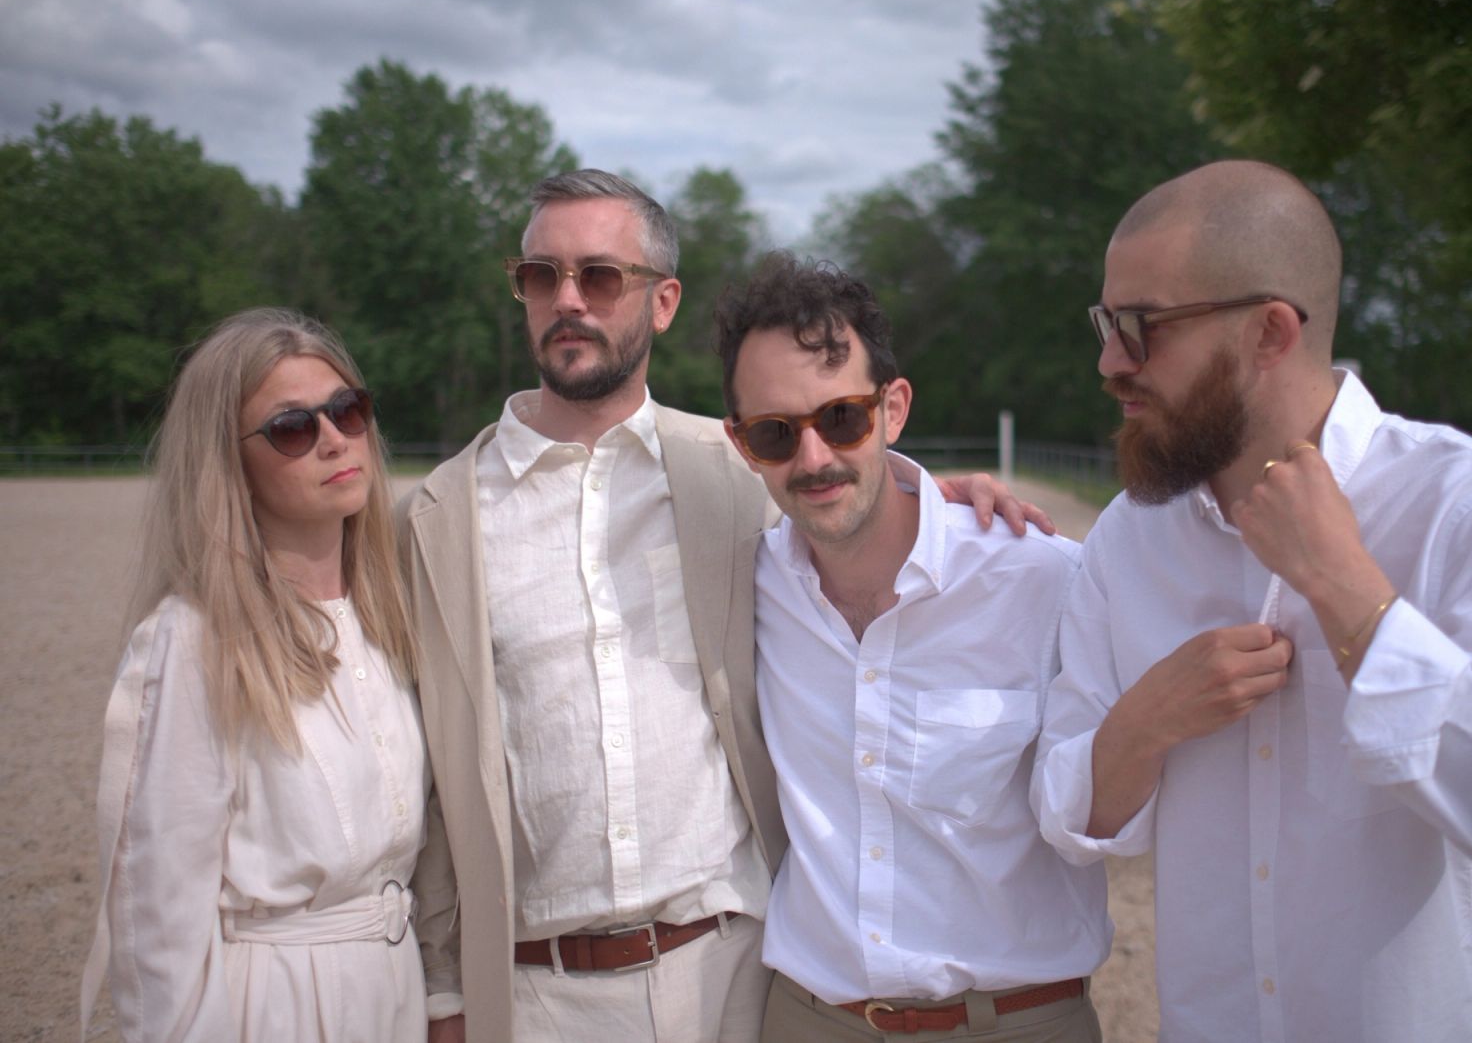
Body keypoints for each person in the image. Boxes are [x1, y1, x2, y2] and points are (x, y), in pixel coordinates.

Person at [402, 169, 1047, 1042]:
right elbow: (428, 775)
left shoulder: (742, 468)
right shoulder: (439, 518)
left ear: (663, 301)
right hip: (535, 998)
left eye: (600, 276)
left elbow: (839, 479)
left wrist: (934, 494)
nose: (568, 300)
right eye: (541, 276)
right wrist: (445, 991)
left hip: (734, 979)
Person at [1031, 160, 1472, 1041]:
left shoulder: (1468, 507)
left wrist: (1346, 590)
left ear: (1270, 331)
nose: (1110, 362)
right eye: (1106, 324)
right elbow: (1069, 819)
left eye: (1141, 328)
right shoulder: (1127, 540)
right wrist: (1145, 723)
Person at [714, 254, 1109, 1042]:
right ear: (741, 443)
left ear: (892, 408)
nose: (814, 459)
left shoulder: (1044, 580)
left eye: (842, 419)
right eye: (776, 433)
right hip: (810, 1021)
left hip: (1017, 1024)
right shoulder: (743, 589)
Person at [81, 308, 428, 1041]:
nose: (334, 439)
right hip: (274, 1010)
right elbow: (158, 920)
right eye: (291, 427)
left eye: (347, 409)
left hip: (397, 994)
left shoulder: (389, 617)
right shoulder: (195, 639)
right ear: (228, 463)